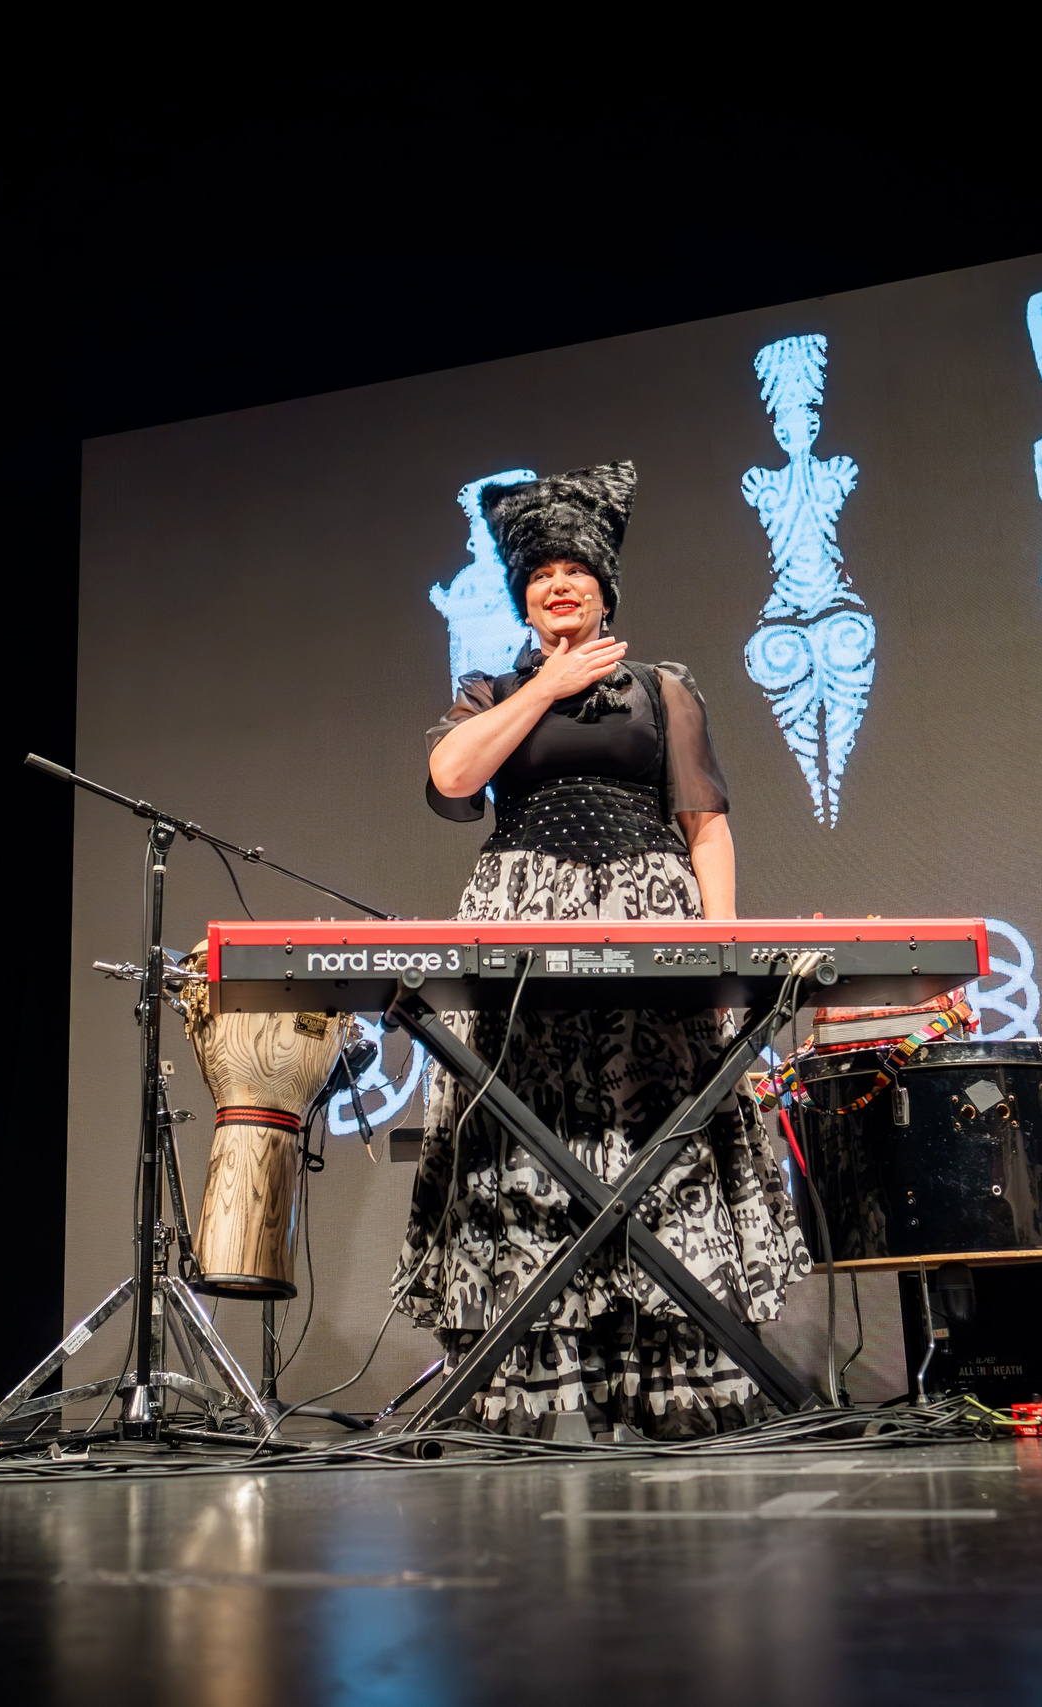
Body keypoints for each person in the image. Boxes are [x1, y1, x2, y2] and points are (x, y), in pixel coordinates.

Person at [391, 460, 810, 1438]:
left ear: (605, 588)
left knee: (655, 1131)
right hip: (522, 916)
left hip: (646, 909)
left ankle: (673, 1373)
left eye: (575, 570)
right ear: (523, 598)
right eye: (540, 575)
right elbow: (452, 776)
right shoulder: (492, 690)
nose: (559, 585)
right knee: (528, 1131)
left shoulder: (665, 691)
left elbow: (706, 825)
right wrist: (546, 687)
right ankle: (538, 1381)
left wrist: (720, 948)